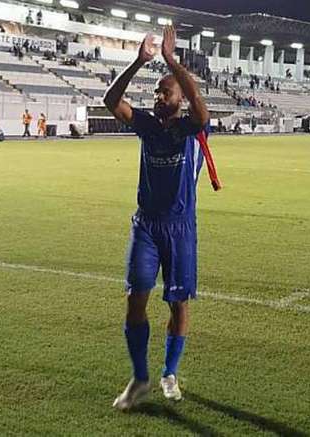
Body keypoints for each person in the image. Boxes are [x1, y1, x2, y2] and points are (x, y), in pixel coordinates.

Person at [103, 26, 210, 411]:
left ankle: (169, 373)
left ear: (179, 96)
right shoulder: (147, 125)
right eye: (157, 92)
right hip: (146, 225)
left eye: (166, 91)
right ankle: (140, 377)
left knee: (178, 304)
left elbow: (199, 104)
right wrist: (139, 62)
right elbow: (110, 99)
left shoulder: (192, 127)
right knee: (136, 298)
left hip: (180, 228)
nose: (158, 96)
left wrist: (171, 61)